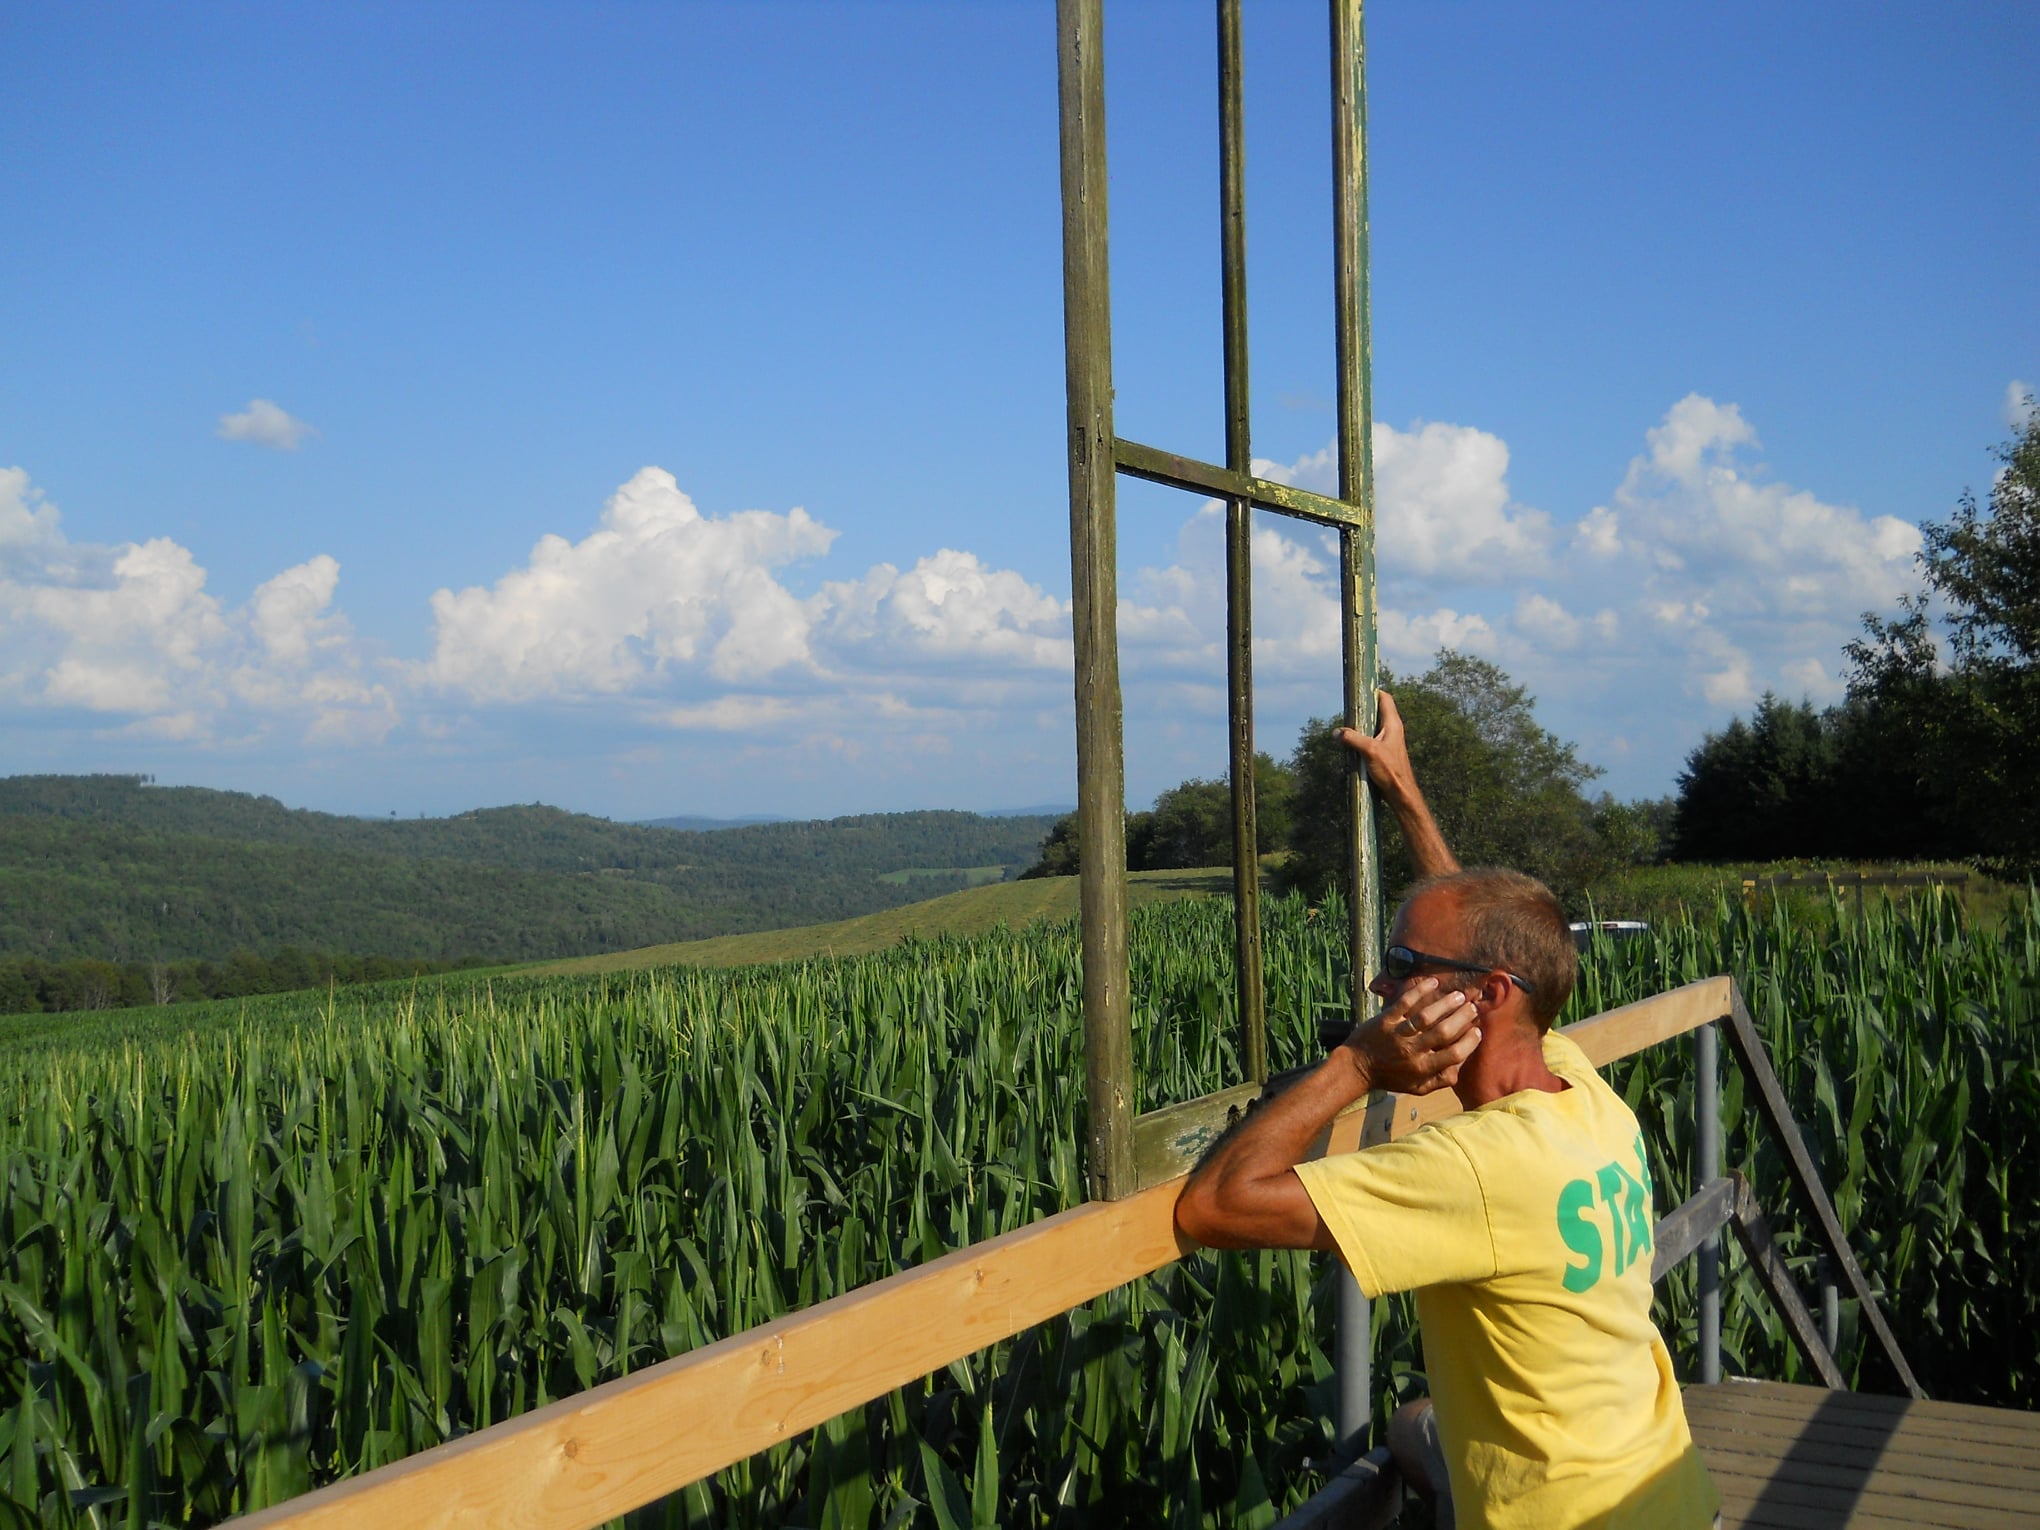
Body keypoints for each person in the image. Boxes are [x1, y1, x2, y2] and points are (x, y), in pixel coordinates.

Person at [1174, 693, 1720, 1530]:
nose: (1379, 987)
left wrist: (1358, 1062)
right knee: (1410, 1424)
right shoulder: (1580, 1092)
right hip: (1670, 1496)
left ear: (1487, 997)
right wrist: (1405, 793)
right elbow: (1492, 936)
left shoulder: (1483, 1165)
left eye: (1399, 963)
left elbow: (1216, 1206)